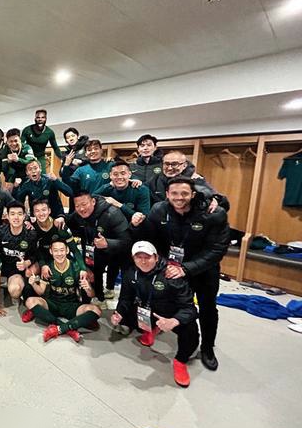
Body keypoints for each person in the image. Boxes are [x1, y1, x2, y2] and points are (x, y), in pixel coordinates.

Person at [131, 177, 230, 371]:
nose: (179, 197)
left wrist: (186, 269)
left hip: (203, 271)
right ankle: (169, 330)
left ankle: (207, 348)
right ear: (167, 194)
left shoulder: (213, 213)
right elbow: (150, 238)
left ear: (193, 194)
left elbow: (217, 250)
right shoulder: (159, 210)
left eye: (184, 193)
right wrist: (137, 226)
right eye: (174, 193)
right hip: (171, 267)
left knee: (207, 309)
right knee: (168, 302)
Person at [111, 241, 199, 388]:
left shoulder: (171, 274)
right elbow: (125, 298)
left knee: (190, 332)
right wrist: (119, 313)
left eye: (147, 257)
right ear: (133, 258)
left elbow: (190, 309)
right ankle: (152, 329)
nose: (143, 261)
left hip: (172, 314)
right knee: (125, 317)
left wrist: (174, 321)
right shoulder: (130, 273)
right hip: (148, 309)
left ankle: (180, 361)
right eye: (138, 257)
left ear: (156, 257)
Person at [25, 239, 101, 342]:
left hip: (72, 305)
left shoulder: (77, 268)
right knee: (30, 301)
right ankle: (67, 328)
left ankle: (59, 329)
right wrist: (33, 284)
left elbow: (91, 295)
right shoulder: (47, 268)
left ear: (67, 250)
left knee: (96, 310)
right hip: (53, 303)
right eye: (56, 250)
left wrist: (88, 288)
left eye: (62, 250)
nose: (59, 254)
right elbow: (41, 291)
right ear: (51, 251)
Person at [94, 160, 151, 298]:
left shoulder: (140, 189)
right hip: (112, 232)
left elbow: (143, 216)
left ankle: (129, 297)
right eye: (115, 174)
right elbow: (91, 197)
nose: (119, 177)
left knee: (128, 267)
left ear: (129, 174)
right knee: (111, 262)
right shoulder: (108, 188)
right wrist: (108, 185)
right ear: (110, 176)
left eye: (123, 173)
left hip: (133, 234)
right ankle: (109, 288)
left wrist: (118, 204)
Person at [67, 191, 131, 305]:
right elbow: (68, 222)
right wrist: (61, 218)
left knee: (114, 266)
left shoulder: (112, 213)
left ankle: (110, 288)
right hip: (92, 250)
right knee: (94, 272)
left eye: (84, 204)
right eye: (77, 206)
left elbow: (127, 241)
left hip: (114, 249)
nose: (81, 209)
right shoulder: (77, 215)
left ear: (93, 201)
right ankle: (99, 297)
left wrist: (108, 243)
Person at [0, 203, 38, 314]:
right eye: (12, 214)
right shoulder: (0, 231)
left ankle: (14, 287)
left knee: (15, 291)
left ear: (24, 216)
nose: (16, 217)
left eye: (19, 214)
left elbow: (35, 255)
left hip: (16, 271)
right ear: (7, 216)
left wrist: (27, 263)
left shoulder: (30, 234)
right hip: (1, 268)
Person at [147, 150, 229, 210]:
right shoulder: (155, 180)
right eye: (166, 164)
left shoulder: (195, 179)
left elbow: (220, 200)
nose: (170, 168)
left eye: (174, 164)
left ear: (184, 165)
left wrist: (215, 200)